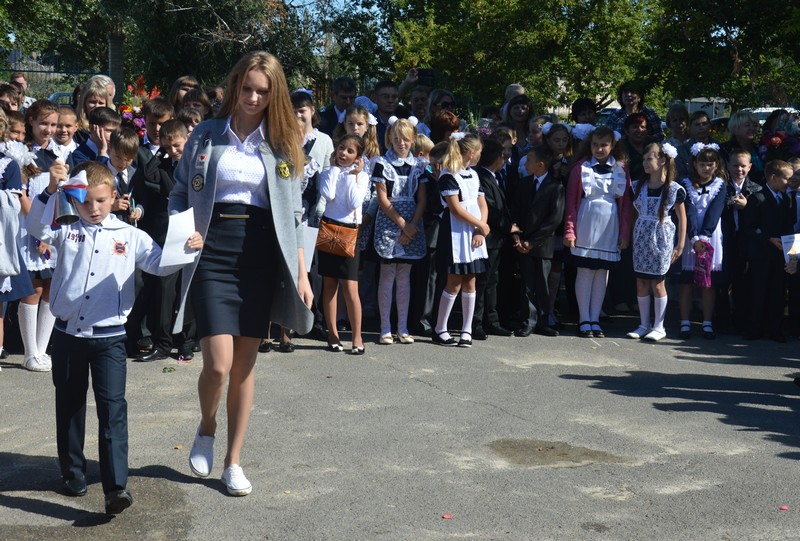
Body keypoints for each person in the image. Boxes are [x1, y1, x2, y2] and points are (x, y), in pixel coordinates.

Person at [171, 51, 314, 496]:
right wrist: (184, 231)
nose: (253, 98)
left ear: (275, 95)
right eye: (247, 88)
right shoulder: (206, 134)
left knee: (244, 366)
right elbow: (179, 192)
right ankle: (207, 426)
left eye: (262, 92)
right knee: (217, 364)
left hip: (261, 257)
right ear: (235, 85)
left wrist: (302, 272)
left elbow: (294, 216)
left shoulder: (284, 143)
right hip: (211, 253)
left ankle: (233, 461)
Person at [27, 160, 202, 514]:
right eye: (87, 201)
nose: (94, 208)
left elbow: (159, 264)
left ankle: (116, 487)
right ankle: (72, 474)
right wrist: (50, 191)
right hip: (68, 335)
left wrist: (189, 247)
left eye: (101, 201)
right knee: (70, 406)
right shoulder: (65, 227)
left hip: (110, 338)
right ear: (76, 199)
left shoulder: (129, 234)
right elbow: (35, 227)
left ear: (114, 198)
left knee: (113, 411)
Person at [18, 100, 72, 372]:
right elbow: (22, 196)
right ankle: (30, 352)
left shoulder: (58, 153)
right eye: (43, 123)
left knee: (52, 287)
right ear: (31, 121)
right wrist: (38, 234)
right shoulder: (22, 153)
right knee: (34, 288)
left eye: (53, 124)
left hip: (53, 230)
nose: (49, 129)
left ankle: (42, 349)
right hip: (29, 230)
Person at [563, 126, 632, 339]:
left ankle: (595, 318)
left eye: (604, 145)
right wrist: (569, 231)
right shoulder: (580, 168)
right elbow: (571, 202)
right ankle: (584, 319)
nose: (599, 149)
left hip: (610, 225)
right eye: (595, 144)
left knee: (602, 272)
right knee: (585, 271)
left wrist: (624, 233)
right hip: (586, 222)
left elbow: (626, 205)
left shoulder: (621, 169)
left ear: (613, 146)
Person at [137, 120, 195, 361]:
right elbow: (148, 175)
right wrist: (162, 153)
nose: (173, 151)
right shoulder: (162, 163)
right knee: (164, 289)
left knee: (187, 289)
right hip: (168, 233)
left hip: (192, 232)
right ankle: (162, 343)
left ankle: (187, 342)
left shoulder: (196, 164)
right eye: (168, 146)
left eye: (177, 145)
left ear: (187, 140)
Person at [372, 118, 426, 345]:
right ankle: (385, 328)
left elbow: (422, 199)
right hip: (389, 221)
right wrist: (403, 224)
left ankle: (402, 327)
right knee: (387, 275)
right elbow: (383, 200)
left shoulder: (420, 165)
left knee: (404, 276)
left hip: (413, 222)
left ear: (412, 139)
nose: (401, 143)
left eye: (405, 139)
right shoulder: (381, 163)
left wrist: (412, 225)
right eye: (396, 139)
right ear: (389, 139)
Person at [432, 132, 488, 347]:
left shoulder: (474, 175)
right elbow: (455, 209)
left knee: (470, 280)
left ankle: (467, 329)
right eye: (479, 152)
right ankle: (440, 328)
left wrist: (480, 229)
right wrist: (480, 224)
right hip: (455, 232)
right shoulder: (448, 175)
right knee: (454, 281)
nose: (480, 155)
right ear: (471, 153)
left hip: (473, 231)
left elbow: (482, 203)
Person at [626, 142, 686, 341]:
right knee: (641, 280)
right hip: (641, 237)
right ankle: (644, 324)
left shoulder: (674, 189)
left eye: (649, 158)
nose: (645, 162)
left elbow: (682, 218)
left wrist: (680, 245)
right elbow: (634, 214)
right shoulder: (638, 186)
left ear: (662, 161)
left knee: (658, 282)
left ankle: (659, 326)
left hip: (662, 238)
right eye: (643, 159)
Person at [318, 134, 370, 353]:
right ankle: (332, 334)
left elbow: (354, 202)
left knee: (350, 286)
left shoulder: (362, 177)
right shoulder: (328, 173)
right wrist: (333, 170)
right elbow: (328, 194)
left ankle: (357, 337)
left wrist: (352, 175)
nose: (343, 153)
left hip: (349, 231)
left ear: (358, 157)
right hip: (329, 228)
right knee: (329, 284)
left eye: (350, 151)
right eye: (341, 148)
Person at [511, 144, 565, 338]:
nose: (526, 163)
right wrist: (517, 237)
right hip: (523, 242)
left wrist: (533, 242)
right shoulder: (523, 183)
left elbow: (554, 219)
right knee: (526, 283)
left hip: (543, 245)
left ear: (540, 164)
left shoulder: (555, 186)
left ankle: (543, 320)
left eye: (529, 160)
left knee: (542, 283)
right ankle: (528, 321)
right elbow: (515, 210)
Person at [741, 160, 796, 342]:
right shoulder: (758, 198)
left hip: (780, 254)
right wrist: (768, 238)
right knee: (758, 290)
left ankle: (775, 329)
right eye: (786, 178)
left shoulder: (787, 199)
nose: (789, 182)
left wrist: (792, 255)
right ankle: (755, 328)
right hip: (761, 254)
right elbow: (749, 227)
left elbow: (789, 228)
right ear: (773, 178)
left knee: (777, 292)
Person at [678, 143, 727, 340]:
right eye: (702, 164)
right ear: (695, 164)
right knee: (686, 281)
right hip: (690, 235)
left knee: (708, 282)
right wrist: (694, 238)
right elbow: (688, 211)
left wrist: (704, 238)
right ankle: (684, 322)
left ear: (716, 165)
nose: (706, 168)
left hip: (710, 235)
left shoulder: (720, 185)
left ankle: (707, 323)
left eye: (710, 164)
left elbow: (715, 212)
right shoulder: (685, 183)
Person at [472, 137, 513, 340]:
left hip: (496, 239)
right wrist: (508, 226)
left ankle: (492, 320)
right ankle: (476, 323)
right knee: (482, 281)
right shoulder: (481, 177)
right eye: (503, 156)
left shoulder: (492, 177)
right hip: (487, 237)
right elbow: (489, 209)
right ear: (497, 158)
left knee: (491, 281)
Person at [720, 148, 760, 334]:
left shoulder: (756, 189)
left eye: (743, 166)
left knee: (743, 282)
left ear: (750, 167)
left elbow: (759, 218)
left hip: (745, 242)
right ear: (728, 165)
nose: (739, 169)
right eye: (735, 165)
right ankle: (722, 321)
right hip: (724, 240)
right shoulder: (720, 187)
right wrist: (730, 204)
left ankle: (741, 321)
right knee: (722, 281)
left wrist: (747, 206)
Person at [720, 110, 764, 183]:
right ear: (735, 128)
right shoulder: (725, 149)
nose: (752, 128)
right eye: (747, 125)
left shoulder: (758, 147)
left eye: (755, 125)